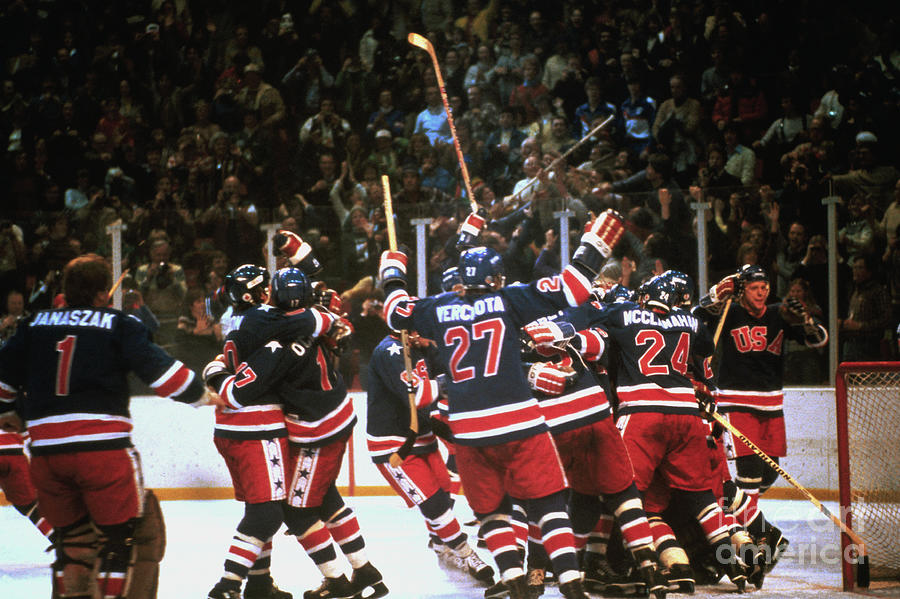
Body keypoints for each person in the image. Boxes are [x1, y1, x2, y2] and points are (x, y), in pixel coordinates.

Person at [379, 209, 628, 599]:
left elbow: (395, 312)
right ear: (496, 279)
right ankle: (569, 581)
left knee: (492, 510)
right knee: (548, 503)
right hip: (520, 421)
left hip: (470, 430)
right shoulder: (508, 298)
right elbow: (573, 288)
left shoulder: (437, 308)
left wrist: (393, 270)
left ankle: (512, 577)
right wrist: (593, 248)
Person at [0, 253, 213, 599]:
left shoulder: (33, 325)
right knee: (123, 540)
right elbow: (164, 375)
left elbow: (3, 381)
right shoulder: (118, 323)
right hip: (103, 454)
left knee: (71, 543)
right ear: (102, 294)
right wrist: (202, 395)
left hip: (46, 457)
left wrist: (7, 410)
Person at [695, 264, 828, 568]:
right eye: (755, 288)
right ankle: (751, 536)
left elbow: (819, 341)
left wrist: (806, 320)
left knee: (768, 473)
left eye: (765, 287)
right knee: (750, 471)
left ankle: (731, 511)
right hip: (736, 403)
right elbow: (696, 318)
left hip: (771, 405)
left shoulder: (780, 313)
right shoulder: (729, 311)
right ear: (743, 291)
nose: (761, 292)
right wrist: (716, 294)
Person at [366, 329, 495, 586]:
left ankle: (441, 545)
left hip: (423, 436)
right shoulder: (389, 353)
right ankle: (467, 554)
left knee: (444, 491)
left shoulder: (422, 348)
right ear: (408, 331)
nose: (430, 337)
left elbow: (450, 371)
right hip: (394, 445)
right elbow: (418, 395)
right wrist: (448, 384)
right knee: (433, 503)